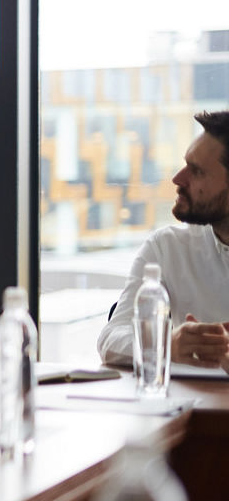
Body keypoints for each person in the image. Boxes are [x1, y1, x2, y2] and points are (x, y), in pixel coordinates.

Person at [97, 111, 229, 371]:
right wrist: (165, 344)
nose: (178, 180)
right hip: (196, 407)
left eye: (197, 171)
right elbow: (111, 339)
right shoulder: (168, 248)